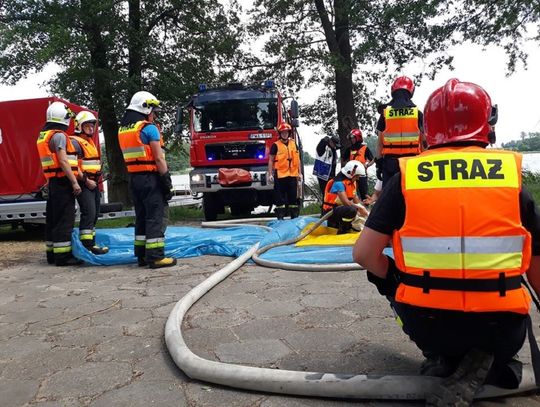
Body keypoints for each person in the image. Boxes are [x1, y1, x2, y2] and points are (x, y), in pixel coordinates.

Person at [354, 79, 540, 404]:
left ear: (428, 129)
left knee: (379, 273)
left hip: (429, 325)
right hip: (502, 329)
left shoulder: (406, 179)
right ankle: (493, 360)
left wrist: (397, 277)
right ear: (488, 124)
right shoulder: (511, 180)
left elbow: (364, 254)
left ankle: (442, 359)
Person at [118, 91, 177, 269]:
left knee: (141, 217)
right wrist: (167, 181)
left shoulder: (124, 130)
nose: (154, 114)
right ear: (145, 108)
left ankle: (142, 256)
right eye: (153, 110)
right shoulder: (148, 128)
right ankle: (156, 257)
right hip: (151, 178)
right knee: (155, 217)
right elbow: (159, 159)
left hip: (134, 179)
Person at [36, 101, 83, 266]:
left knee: (53, 219)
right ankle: (64, 257)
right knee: (64, 219)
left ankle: (52, 254)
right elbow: (63, 161)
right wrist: (74, 182)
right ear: (63, 118)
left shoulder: (43, 136)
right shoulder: (59, 136)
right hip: (63, 182)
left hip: (53, 182)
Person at [70, 111, 108, 255]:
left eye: (93, 126)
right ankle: (87, 246)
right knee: (89, 213)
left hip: (93, 183)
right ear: (79, 126)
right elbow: (73, 166)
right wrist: (86, 180)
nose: (91, 128)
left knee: (95, 213)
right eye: (87, 126)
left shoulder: (89, 142)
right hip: (85, 184)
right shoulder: (75, 142)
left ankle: (91, 243)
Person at [376, 76, 424, 186]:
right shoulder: (418, 114)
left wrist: (379, 165)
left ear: (393, 90)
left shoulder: (385, 114)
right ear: (411, 91)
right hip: (412, 163)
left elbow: (379, 144)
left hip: (390, 163)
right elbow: (424, 143)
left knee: (390, 200)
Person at [323, 160, 369, 234]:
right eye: (357, 176)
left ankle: (348, 225)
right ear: (350, 173)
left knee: (358, 212)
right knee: (352, 210)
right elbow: (346, 202)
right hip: (331, 212)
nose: (358, 178)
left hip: (342, 210)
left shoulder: (352, 182)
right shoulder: (338, 183)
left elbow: (356, 199)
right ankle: (344, 229)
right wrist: (359, 208)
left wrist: (364, 209)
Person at [267, 122, 301, 220]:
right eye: (283, 132)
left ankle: (294, 218)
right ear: (280, 134)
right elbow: (271, 160)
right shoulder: (275, 145)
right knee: (279, 198)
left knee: (293, 198)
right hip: (280, 175)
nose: (285, 134)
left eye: (286, 132)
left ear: (289, 133)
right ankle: (280, 218)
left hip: (292, 175)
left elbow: (297, 159)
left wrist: (299, 173)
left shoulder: (294, 143)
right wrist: (270, 174)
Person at [343, 128, 374, 200]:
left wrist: (367, 165)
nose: (352, 139)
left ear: (358, 137)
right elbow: (343, 159)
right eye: (351, 138)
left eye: (353, 138)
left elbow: (372, 159)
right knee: (351, 194)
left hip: (362, 174)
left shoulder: (365, 148)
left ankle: (366, 208)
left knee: (364, 194)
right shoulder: (349, 149)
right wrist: (346, 168)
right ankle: (354, 209)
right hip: (352, 175)